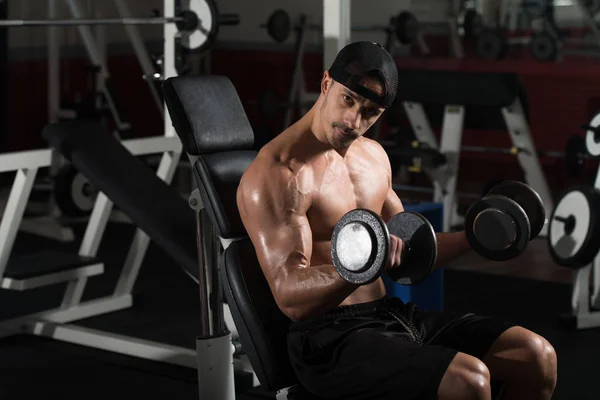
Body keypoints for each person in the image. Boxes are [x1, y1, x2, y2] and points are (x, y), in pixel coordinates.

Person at [236, 41, 557, 400]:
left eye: (370, 111)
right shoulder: (280, 172)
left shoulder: (373, 158)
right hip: (327, 341)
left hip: (391, 317)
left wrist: (475, 236)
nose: (354, 121)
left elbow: (413, 249)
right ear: (326, 84)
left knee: (534, 355)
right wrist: (360, 265)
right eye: (348, 100)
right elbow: (290, 296)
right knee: (469, 381)